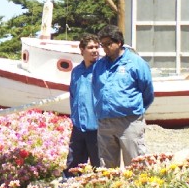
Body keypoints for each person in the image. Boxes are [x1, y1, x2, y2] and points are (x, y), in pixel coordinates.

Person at [94, 26, 155, 167]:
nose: (105, 48)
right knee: (107, 169)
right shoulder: (99, 65)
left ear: (119, 42)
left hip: (129, 122)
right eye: (103, 45)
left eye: (109, 44)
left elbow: (148, 92)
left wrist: (134, 109)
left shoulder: (136, 63)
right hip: (105, 122)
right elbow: (96, 89)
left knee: (136, 165)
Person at [66, 35, 102, 174]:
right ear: (82, 50)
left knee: (99, 165)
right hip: (79, 126)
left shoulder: (101, 69)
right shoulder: (76, 71)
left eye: (96, 47)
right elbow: (73, 95)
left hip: (96, 126)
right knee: (73, 164)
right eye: (90, 47)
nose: (95, 50)